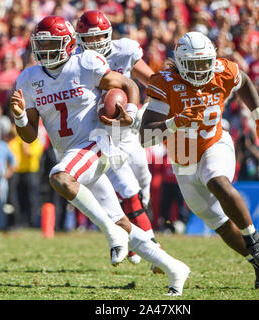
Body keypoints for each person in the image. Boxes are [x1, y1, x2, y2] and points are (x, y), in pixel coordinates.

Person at [10, 16, 189, 295]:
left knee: (59, 177)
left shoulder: (85, 63)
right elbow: (30, 135)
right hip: (73, 155)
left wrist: (129, 114)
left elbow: (127, 85)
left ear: (68, 44)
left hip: (96, 143)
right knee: (121, 222)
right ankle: (174, 268)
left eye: (51, 43)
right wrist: (20, 117)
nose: (44, 50)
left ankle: (109, 232)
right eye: (41, 44)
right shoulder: (29, 78)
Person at [140, 32, 259, 290]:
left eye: (205, 63)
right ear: (180, 63)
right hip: (183, 159)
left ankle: (255, 239)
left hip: (215, 142)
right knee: (221, 226)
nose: (201, 70)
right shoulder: (165, 82)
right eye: (194, 64)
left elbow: (243, 81)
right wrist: (174, 122)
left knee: (216, 180)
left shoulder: (222, 70)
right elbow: (144, 138)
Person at [76, 10, 156, 265]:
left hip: (128, 127)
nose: (96, 43)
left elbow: (151, 81)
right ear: (79, 39)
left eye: (100, 37)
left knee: (143, 179)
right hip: (100, 132)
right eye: (90, 39)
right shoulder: (76, 61)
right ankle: (146, 245)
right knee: (126, 188)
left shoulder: (125, 50)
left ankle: (137, 235)